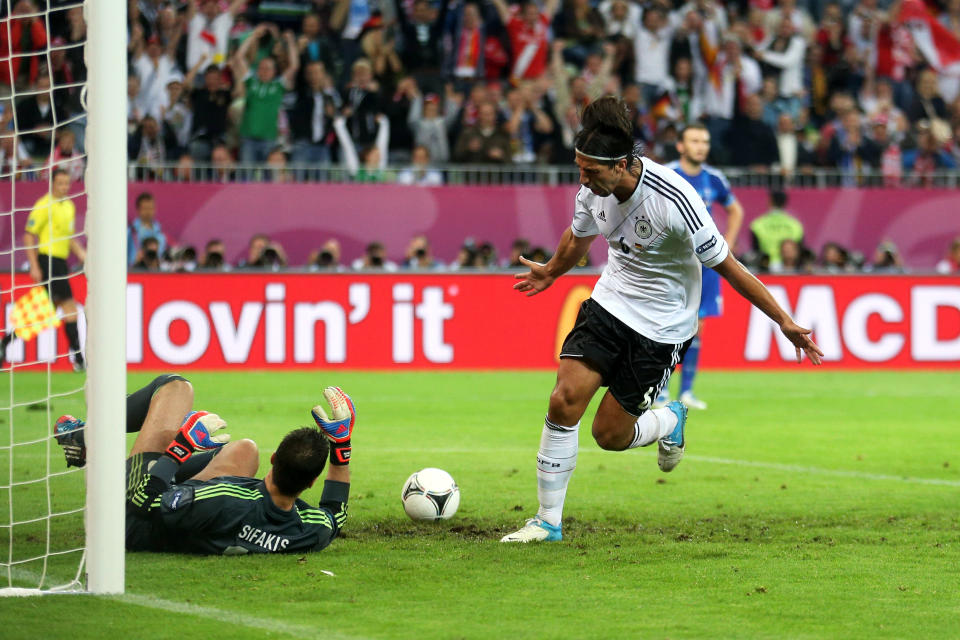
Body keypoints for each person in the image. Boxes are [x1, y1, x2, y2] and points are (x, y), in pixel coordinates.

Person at [501, 96, 822, 543]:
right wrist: (551, 272)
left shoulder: (675, 199)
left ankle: (670, 418)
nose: (583, 179)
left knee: (609, 434)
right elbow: (579, 236)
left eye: (591, 171)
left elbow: (729, 266)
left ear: (622, 165)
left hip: (662, 327)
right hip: (611, 303)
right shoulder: (591, 192)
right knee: (563, 400)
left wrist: (783, 320)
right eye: (580, 168)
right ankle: (547, 521)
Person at [53, 374, 355, 555]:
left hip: (131, 519)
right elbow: (335, 515)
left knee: (176, 388)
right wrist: (341, 445)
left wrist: (180, 449)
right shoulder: (311, 529)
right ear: (311, 482)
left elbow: (144, 501)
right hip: (204, 515)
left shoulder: (222, 498)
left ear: (275, 459)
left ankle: (90, 437)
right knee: (244, 450)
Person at [655, 122, 745, 411]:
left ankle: (687, 392)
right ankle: (661, 390)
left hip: (705, 264)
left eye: (704, 141)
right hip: (673, 263)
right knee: (667, 323)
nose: (700, 146)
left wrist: (727, 243)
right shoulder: (667, 175)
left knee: (697, 327)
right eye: (694, 141)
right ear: (680, 145)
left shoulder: (714, 179)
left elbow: (735, 210)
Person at [21, 169, 87, 371]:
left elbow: (68, 238)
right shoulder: (44, 205)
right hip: (47, 260)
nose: (64, 187)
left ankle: (4, 343)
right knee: (69, 307)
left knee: (44, 309)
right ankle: (78, 359)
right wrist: (34, 265)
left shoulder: (69, 206)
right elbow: (28, 235)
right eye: (60, 183)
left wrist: (84, 255)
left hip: (61, 262)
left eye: (67, 183)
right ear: (52, 184)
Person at [750, 190, 804, 269]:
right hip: (789, 267)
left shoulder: (758, 224)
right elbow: (800, 250)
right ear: (785, 203)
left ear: (770, 201)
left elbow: (755, 250)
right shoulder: (795, 225)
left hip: (766, 268)